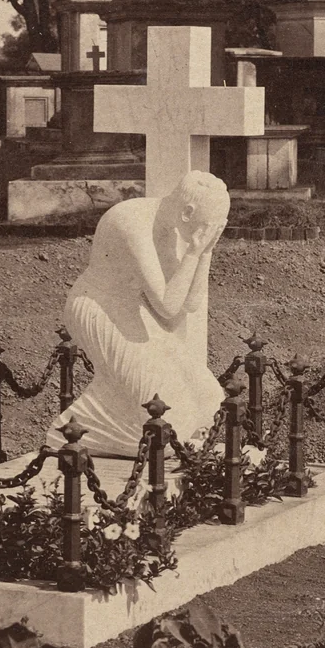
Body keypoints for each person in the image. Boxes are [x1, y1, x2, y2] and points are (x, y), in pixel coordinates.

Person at [47, 170, 230, 457]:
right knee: (169, 421)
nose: (203, 235)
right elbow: (168, 306)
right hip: (96, 309)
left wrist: (205, 253)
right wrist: (194, 253)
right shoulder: (132, 221)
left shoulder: (171, 228)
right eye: (204, 227)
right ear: (187, 213)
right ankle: (71, 433)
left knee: (210, 400)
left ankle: (101, 416)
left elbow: (183, 309)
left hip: (134, 311)